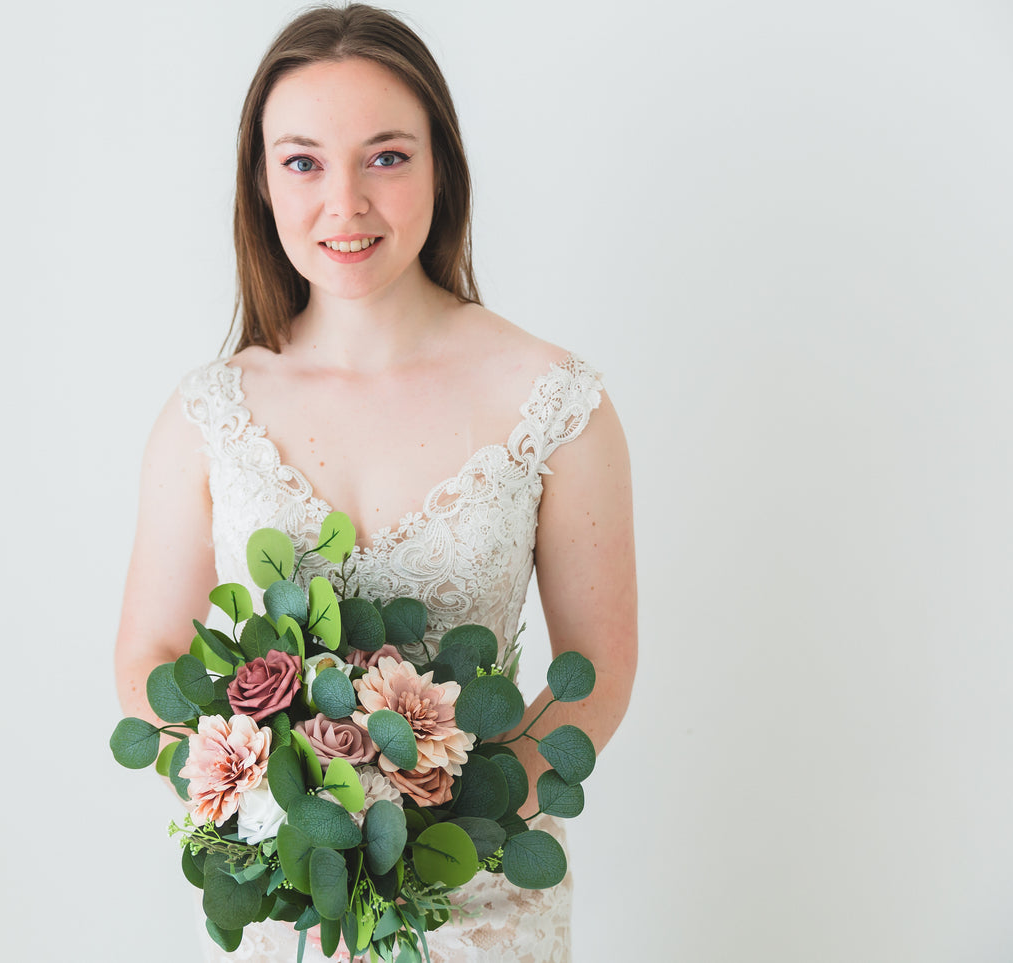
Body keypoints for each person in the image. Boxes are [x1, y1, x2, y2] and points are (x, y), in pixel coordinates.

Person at [114, 4, 637, 960]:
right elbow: (149, 653)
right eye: (303, 161)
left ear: (441, 165)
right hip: (290, 908)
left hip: (480, 901)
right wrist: (267, 807)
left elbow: (594, 671)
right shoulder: (207, 414)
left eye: (386, 157)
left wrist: (438, 825)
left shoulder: (556, 403)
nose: (344, 203)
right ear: (261, 182)